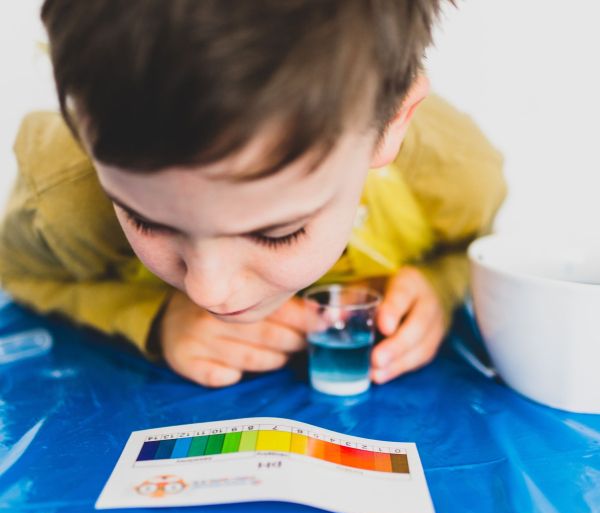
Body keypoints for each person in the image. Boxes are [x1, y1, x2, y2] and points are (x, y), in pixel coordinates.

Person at [0, 0, 506, 388]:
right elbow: (17, 273)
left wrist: (442, 287)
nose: (209, 291)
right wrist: (150, 318)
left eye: (277, 233)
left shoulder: (454, 173)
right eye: (146, 220)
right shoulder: (65, 195)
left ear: (391, 127)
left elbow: (476, 251)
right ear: (85, 129)